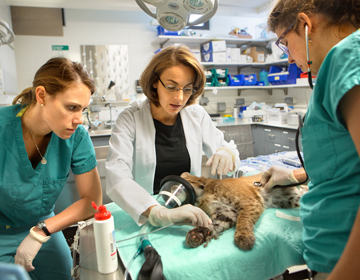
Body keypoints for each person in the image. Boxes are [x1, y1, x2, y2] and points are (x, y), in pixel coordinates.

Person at [262, 0, 360, 279]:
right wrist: (296, 175)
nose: (289, 59)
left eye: (284, 42)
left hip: (344, 258)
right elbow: (348, 164)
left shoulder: (348, 56)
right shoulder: (340, 65)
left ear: (305, 24)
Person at [106, 45, 241, 228]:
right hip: (148, 212)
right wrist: (158, 212)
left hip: (191, 211)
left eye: (187, 89)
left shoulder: (196, 115)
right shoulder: (130, 118)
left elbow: (227, 151)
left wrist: (227, 154)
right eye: (171, 87)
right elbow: (117, 176)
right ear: (155, 82)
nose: (179, 97)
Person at [0, 57, 102, 280]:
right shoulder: (2, 129)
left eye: (83, 109)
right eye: (72, 107)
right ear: (42, 95)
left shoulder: (76, 137)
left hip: (43, 225)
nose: (79, 120)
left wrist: (42, 231)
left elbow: (91, 200)